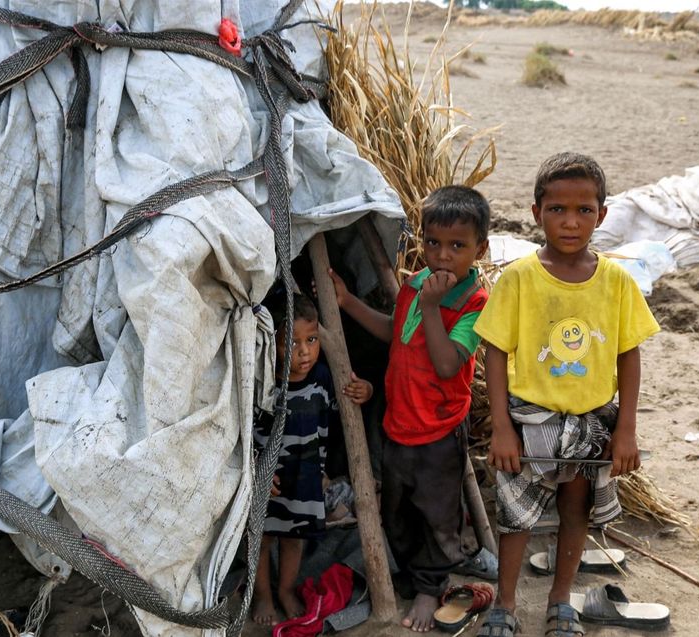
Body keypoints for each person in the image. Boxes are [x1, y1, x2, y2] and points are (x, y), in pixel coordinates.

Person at [473, 152, 660, 637]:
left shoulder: (617, 281)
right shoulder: (519, 278)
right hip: (529, 419)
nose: (571, 222)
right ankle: (506, 604)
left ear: (602, 213)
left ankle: (561, 601)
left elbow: (628, 355)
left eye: (583, 210)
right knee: (516, 517)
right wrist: (501, 427)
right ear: (536, 213)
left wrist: (626, 429)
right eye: (557, 209)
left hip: (593, 420)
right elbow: (494, 351)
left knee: (577, 509)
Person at [328, 186, 491, 632]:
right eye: (433, 243)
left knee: (437, 515)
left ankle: (429, 586)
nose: (442, 255)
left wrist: (434, 306)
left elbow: (444, 363)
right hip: (397, 424)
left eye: (457, 246)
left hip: (437, 431)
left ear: (481, 248)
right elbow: (396, 334)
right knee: (397, 512)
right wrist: (348, 304)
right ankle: (410, 571)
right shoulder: (415, 286)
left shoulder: (475, 305)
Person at [251, 293, 373, 626]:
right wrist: (255, 468)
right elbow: (243, 434)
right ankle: (262, 593)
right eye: (290, 343)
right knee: (261, 538)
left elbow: (344, 408)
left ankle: (286, 588)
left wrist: (367, 391)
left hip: (305, 476)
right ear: (270, 344)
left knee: (294, 539)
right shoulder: (263, 384)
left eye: (312, 339)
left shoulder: (321, 378)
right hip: (267, 479)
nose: (304, 351)